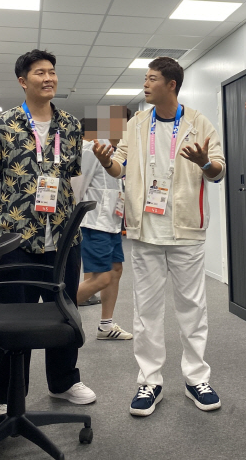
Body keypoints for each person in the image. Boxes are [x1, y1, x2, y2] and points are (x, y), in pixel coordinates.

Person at [93, 57, 225, 417]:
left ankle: (196, 377)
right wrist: (107, 162)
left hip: (186, 232)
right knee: (147, 311)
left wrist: (203, 162)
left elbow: (219, 171)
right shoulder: (136, 124)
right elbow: (120, 166)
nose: (145, 85)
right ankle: (149, 382)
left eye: (152, 79)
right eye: (145, 79)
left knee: (192, 309)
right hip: (145, 232)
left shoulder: (199, 123)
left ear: (171, 85)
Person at [0, 49, 96, 406]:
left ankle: (63, 381)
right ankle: (6, 392)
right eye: (40, 72)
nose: (48, 78)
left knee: (63, 311)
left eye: (52, 72)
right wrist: (15, 210)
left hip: (62, 238)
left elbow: (71, 175)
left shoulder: (72, 126)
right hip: (14, 241)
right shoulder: (0, 126)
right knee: (12, 316)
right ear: (22, 81)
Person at [73, 138, 132, 340]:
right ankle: (55, 312)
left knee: (116, 271)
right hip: (94, 223)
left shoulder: (119, 152)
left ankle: (106, 326)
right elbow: (77, 186)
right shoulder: (90, 149)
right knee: (101, 278)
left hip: (113, 222)